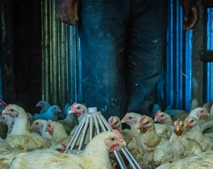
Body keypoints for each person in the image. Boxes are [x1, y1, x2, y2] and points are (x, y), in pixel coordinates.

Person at [55, 0, 199, 119]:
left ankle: (136, 141)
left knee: (145, 72)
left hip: (152, 5)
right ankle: (106, 140)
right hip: (101, 4)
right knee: (104, 76)